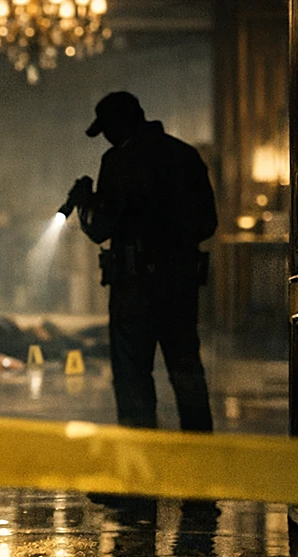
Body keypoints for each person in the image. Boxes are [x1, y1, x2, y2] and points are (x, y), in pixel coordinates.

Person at [67, 91, 217, 432]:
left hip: (134, 287)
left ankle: (140, 459)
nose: (105, 137)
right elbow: (208, 223)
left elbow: (99, 229)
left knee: (132, 374)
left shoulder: (118, 161)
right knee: (186, 369)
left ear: (121, 124)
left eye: (106, 129)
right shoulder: (186, 155)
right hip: (180, 283)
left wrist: (85, 202)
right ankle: (202, 455)